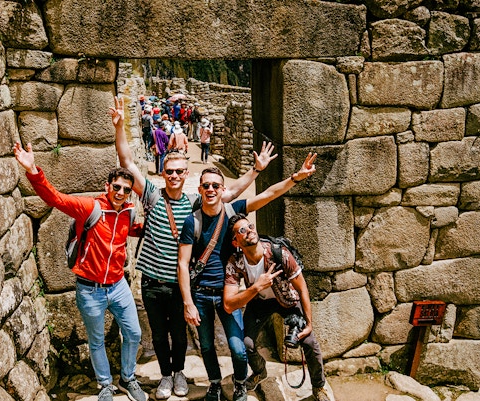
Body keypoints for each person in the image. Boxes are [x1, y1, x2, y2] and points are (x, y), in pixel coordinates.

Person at [110, 96, 277, 400]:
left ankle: (179, 374)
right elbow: (128, 164)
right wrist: (120, 127)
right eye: (169, 171)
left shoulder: (195, 202)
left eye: (178, 171)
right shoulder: (151, 195)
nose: (173, 175)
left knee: (178, 336)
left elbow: (229, 193)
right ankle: (164, 376)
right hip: (151, 279)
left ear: (186, 174)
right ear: (163, 172)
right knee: (159, 334)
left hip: (179, 281)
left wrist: (255, 171)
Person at [177, 153, 317, 401]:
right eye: (206, 185)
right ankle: (214, 384)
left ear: (222, 189)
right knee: (207, 346)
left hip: (227, 293)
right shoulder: (192, 222)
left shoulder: (233, 213)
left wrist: (296, 178)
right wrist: (188, 302)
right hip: (201, 293)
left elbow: (268, 195)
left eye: (215, 185)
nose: (211, 189)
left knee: (239, 348)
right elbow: (183, 262)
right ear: (200, 189)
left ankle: (241, 382)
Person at [13, 142, 146, 401]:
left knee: (134, 333)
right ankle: (105, 385)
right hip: (90, 289)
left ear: (130, 193)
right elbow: (55, 198)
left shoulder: (128, 212)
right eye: (116, 187)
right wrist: (33, 171)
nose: (120, 192)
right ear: (108, 187)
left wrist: (155, 227)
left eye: (126, 190)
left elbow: (130, 231)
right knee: (95, 340)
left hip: (119, 286)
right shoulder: (90, 208)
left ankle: (128, 378)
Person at [223, 214, 331, 401]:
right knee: (246, 344)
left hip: (288, 299)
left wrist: (309, 323)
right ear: (236, 242)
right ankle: (259, 371)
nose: (249, 230)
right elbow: (228, 304)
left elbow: (302, 287)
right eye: (242, 230)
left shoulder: (278, 253)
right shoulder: (235, 262)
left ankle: (318, 386)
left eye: (250, 226)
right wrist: (257, 286)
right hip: (259, 302)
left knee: (309, 342)